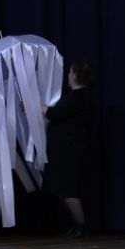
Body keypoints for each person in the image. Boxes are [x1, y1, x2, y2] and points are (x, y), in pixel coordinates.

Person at [42, 61, 96, 238]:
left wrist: (38, 107)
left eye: (71, 72)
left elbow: (56, 113)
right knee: (63, 189)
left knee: (68, 190)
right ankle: (76, 225)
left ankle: (81, 226)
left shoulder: (80, 97)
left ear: (77, 76)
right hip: (65, 151)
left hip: (70, 152)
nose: (68, 75)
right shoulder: (75, 96)